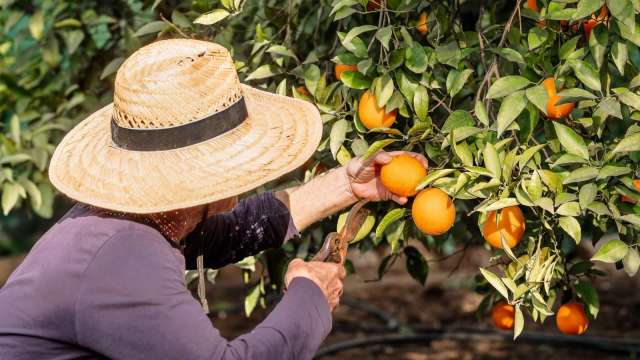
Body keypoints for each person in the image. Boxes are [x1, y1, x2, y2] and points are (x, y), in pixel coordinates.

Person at [0, 39, 427, 360]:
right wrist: (308, 297)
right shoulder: (121, 256)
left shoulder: (134, 218)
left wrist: (348, 186)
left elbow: (235, 231)